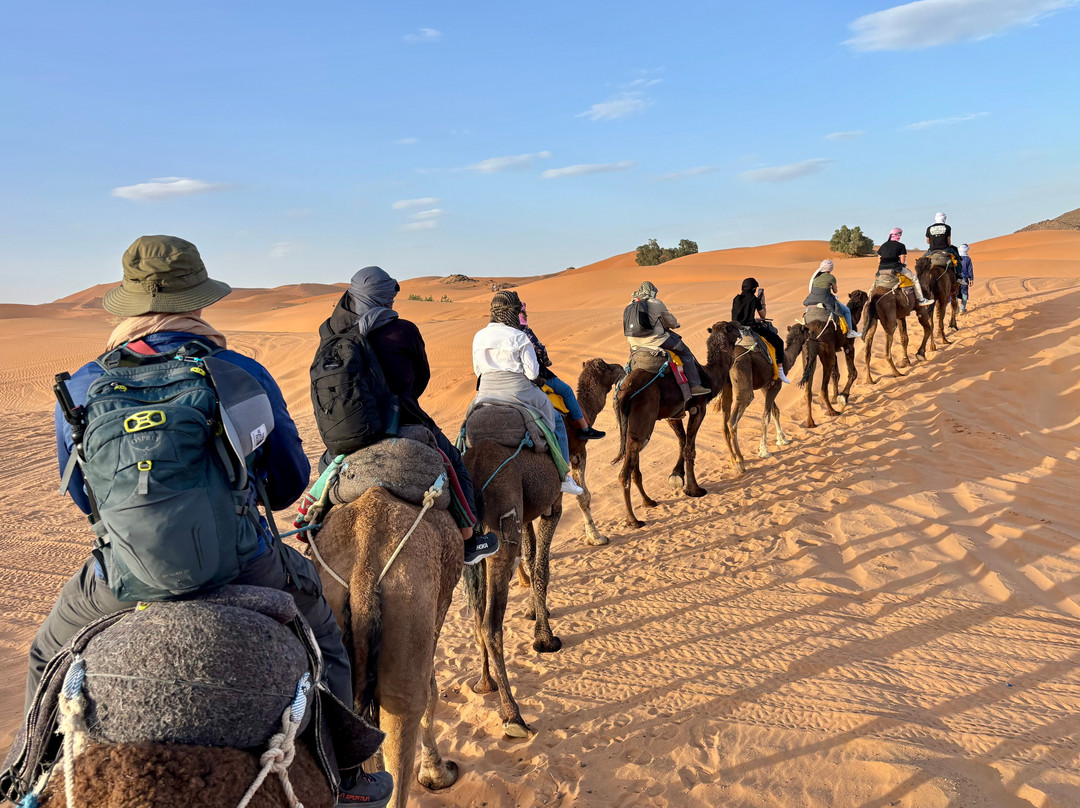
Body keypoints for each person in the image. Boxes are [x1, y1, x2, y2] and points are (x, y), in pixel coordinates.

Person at [32, 236, 392, 805]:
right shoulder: (239, 373)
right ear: (198, 301)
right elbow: (290, 483)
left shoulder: (79, 386)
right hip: (246, 566)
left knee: (45, 652)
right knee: (325, 632)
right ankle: (345, 777)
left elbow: (84, 496)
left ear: (129, 304)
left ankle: (28, 772)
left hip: (121, 578)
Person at [318, 266, 500, 566]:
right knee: (455, 465)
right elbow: (421, 379)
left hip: (348, 428)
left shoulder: (331, 332)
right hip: (404, 420)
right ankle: (470, 540)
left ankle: (312, 523)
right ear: (384, 298)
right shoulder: (402, 331)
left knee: (326, 475)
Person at [472, 292, 584, 496]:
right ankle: (562, 475)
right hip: (518, 390)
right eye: (516, 311)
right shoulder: (518, 336)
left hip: (485, 391)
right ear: (511, 313)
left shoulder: (479, 335)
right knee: (557, 420)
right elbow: (532, 373)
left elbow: (478, 370)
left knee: (466, 428)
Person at [518, 300, 605, 440]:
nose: (525, 315)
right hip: (537, 375)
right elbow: (539, 349)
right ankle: (584, 428)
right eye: (523, 312)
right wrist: (546, 361)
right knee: (566, 391)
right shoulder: (524, 331)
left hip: (508, 378)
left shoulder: (498, 332)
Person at [625, 282, 711, 396]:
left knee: (632, 358)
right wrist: (676, 324)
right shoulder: (656, 303)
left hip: (634, 343)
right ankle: (694, 386)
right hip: (657, 340)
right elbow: (669, 321)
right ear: (652, 292)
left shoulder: (630, 304)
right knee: (685, 353)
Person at [730, 277, 793, 382]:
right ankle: (780, 371)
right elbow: (763, 315)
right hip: (751, 329)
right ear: (753, 289)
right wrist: (762, 302)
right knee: (779, 342)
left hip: (736, 329)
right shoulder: (755, 300)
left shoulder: (736, 299)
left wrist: (753, 319)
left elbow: (739, 316)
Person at [802, 262, 862, 340]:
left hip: (811, 299)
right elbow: (835, 291)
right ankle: (850, 331)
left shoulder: (815, 278)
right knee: (846, 310)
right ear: (830, 269)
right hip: (825, 300)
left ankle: (804, 326)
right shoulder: (831, 277)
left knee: (807, 310)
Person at [879, 227, 932, 306]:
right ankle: (921, 299)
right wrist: (902, 264)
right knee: (914, 279)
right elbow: (903, 261)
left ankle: (869, 300)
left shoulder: (883, 246)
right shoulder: (901, 246)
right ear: (898, 235)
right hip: (895, 268)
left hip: (882, 269)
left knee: (876, 283)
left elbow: (879, 260)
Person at [958, 243, 974, 312]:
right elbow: (970, 270)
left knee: (955, 293)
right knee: (964, 293)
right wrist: (971, 279)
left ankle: (956, 309)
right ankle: (962, 309)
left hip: (956, 278)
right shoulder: (968, 259)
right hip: (964, 278)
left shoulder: (956, 258)